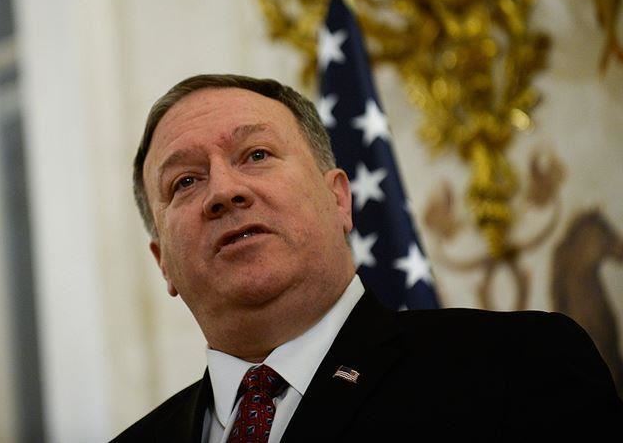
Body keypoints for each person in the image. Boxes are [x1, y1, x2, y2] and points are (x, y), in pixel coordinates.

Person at [112, 74, 623, 442]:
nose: (224, 191)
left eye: (257, 155)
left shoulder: (517, 367)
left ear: (339, 198)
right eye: (185, 181)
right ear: (162, 261)